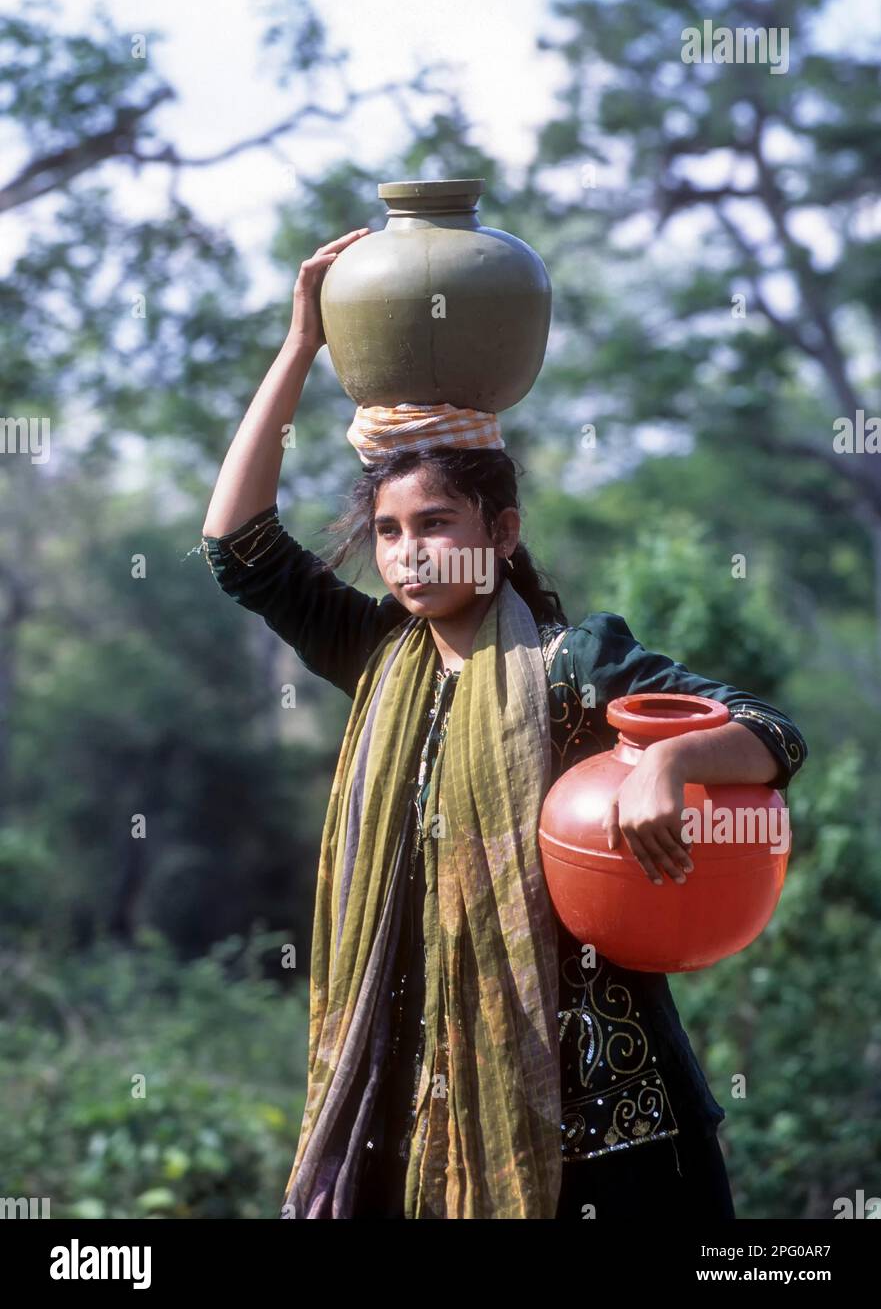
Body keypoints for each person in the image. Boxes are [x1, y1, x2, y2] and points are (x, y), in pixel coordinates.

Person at [192, 229, 809, 1220]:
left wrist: (672, 762)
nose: (407, 556)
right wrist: (302, 339)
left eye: (434, 524)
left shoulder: (570, 663)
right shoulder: (375, 659)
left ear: (500, 532)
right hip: (424, 1108)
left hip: (608, 1117)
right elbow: (235, 547)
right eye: (389, 533)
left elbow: (769, 732)